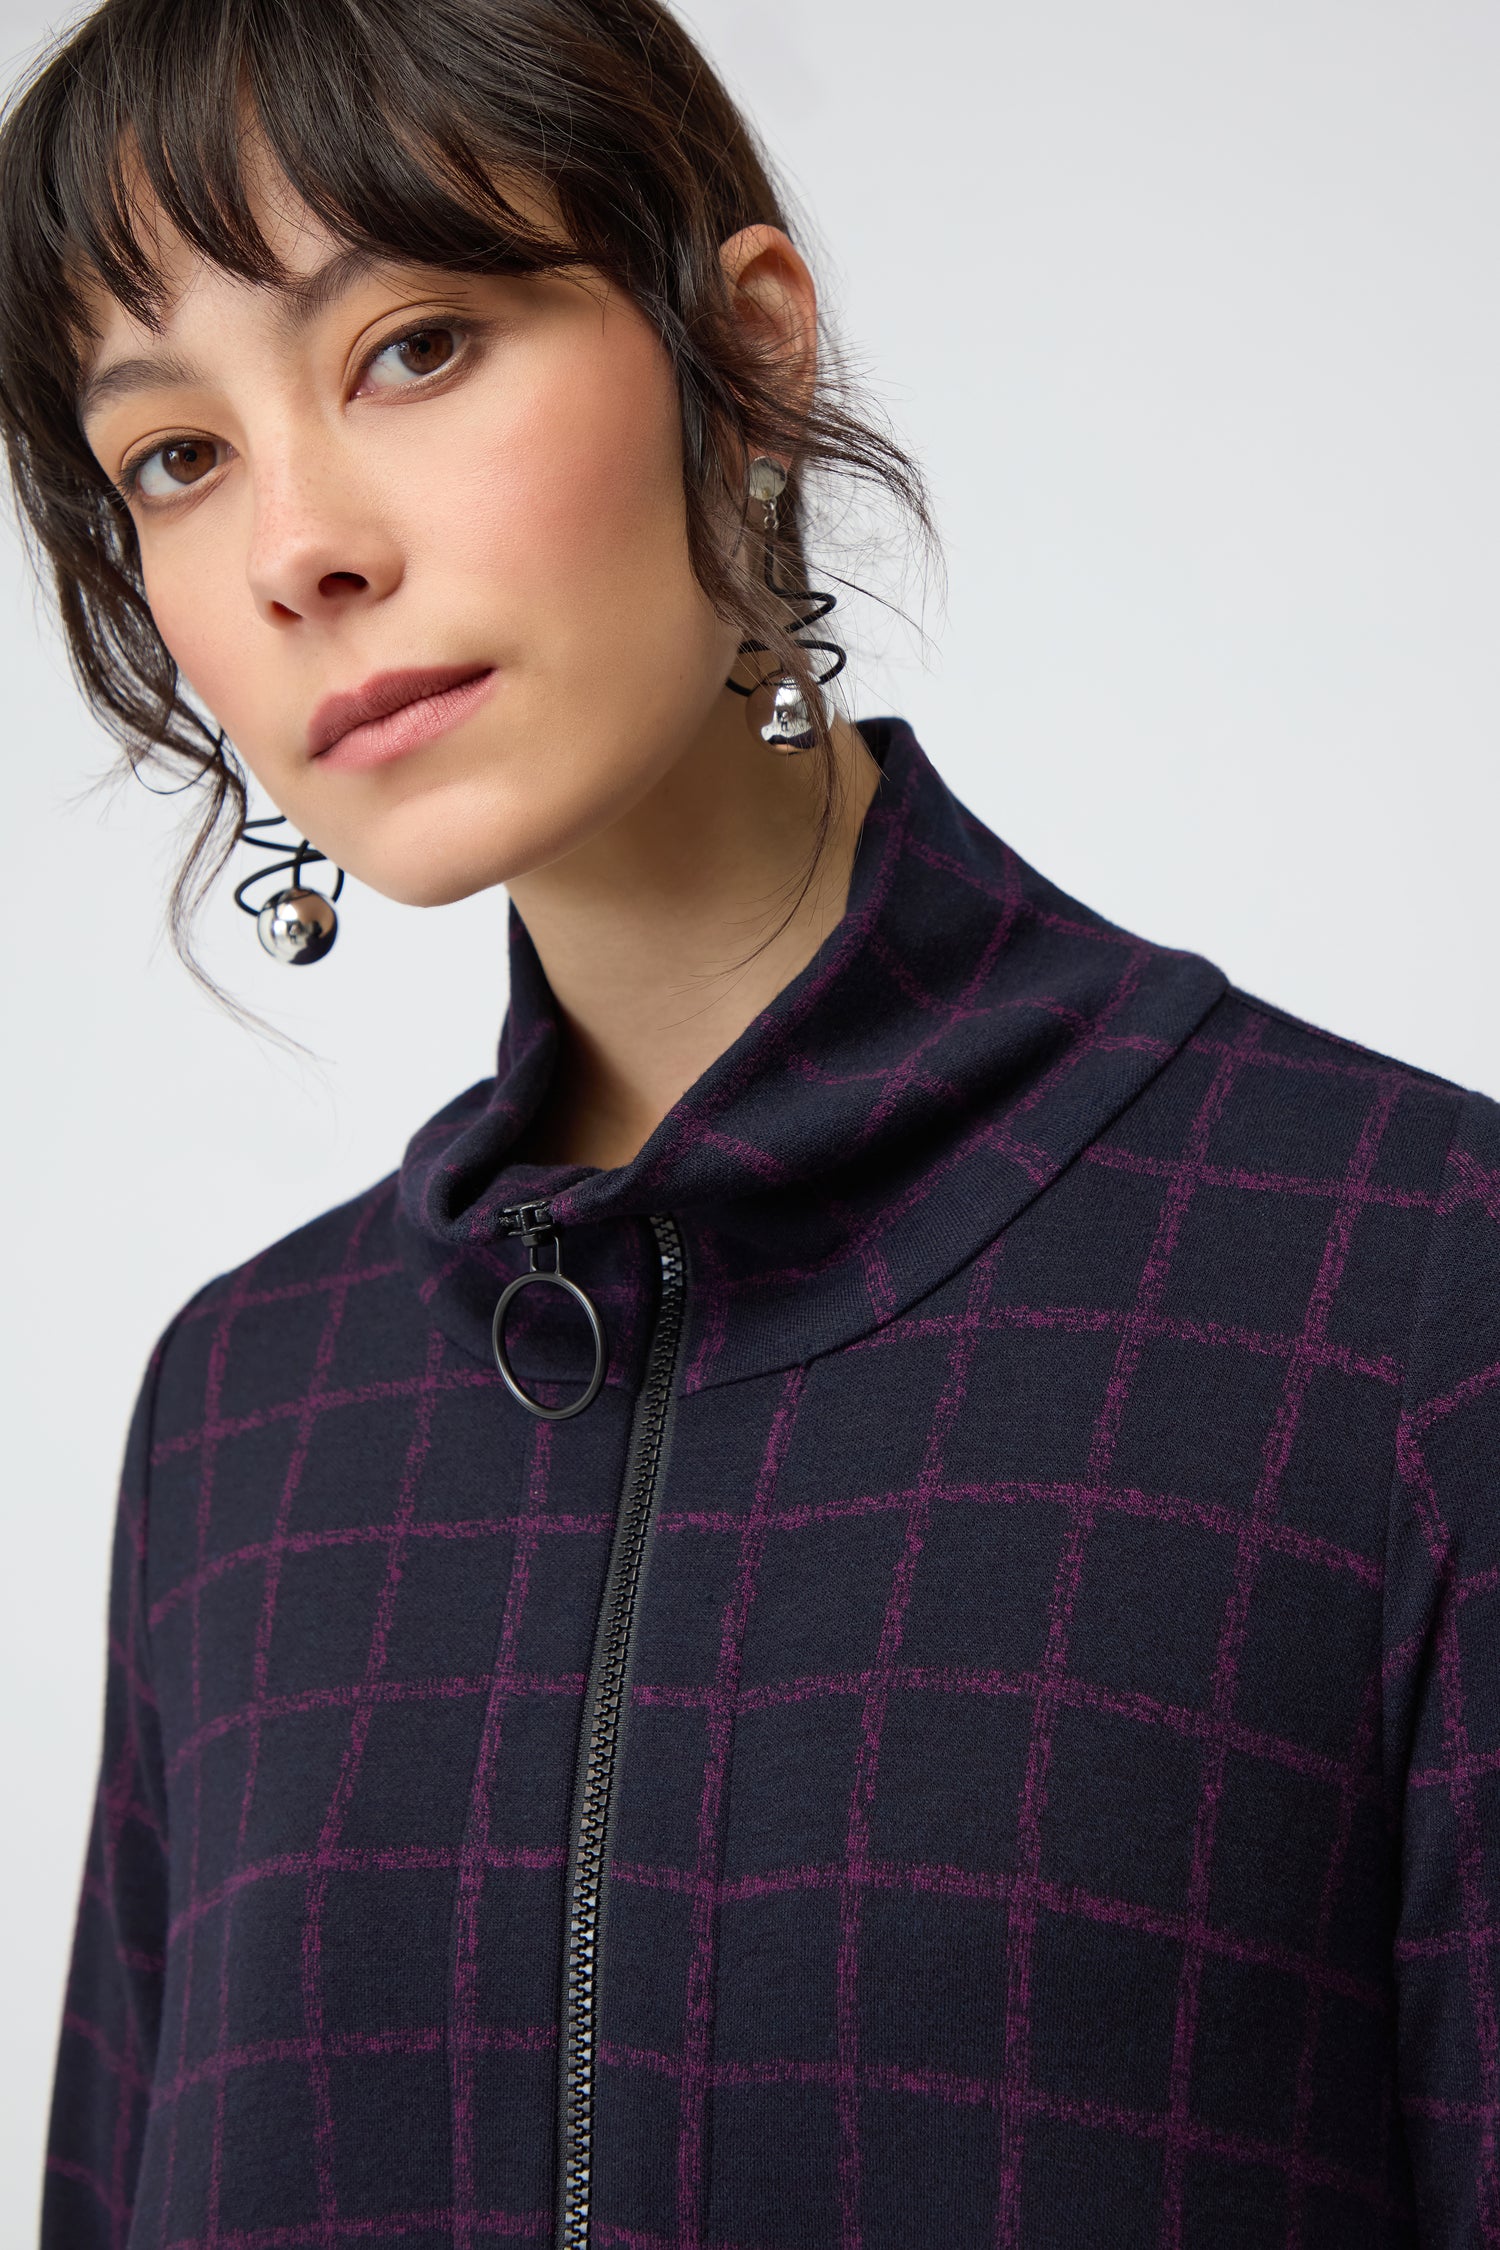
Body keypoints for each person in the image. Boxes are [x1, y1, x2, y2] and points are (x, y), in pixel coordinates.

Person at [4, 0, 1496, 2243]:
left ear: (749, 348)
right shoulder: (243, 1418)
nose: (299, 543)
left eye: (413, 343)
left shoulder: (1405, 1289)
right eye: (173, 458)